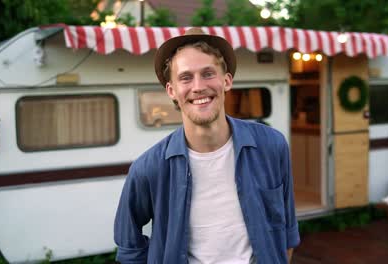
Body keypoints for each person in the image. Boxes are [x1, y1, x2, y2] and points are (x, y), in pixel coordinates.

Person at [114, 27, 300, 263]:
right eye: (185, 77)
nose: (198, 86)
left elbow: (288, 232)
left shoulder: (271, 146)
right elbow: (129, 247)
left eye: (208, 73)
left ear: (227, 80)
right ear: (171, 91)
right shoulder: (148, 168)